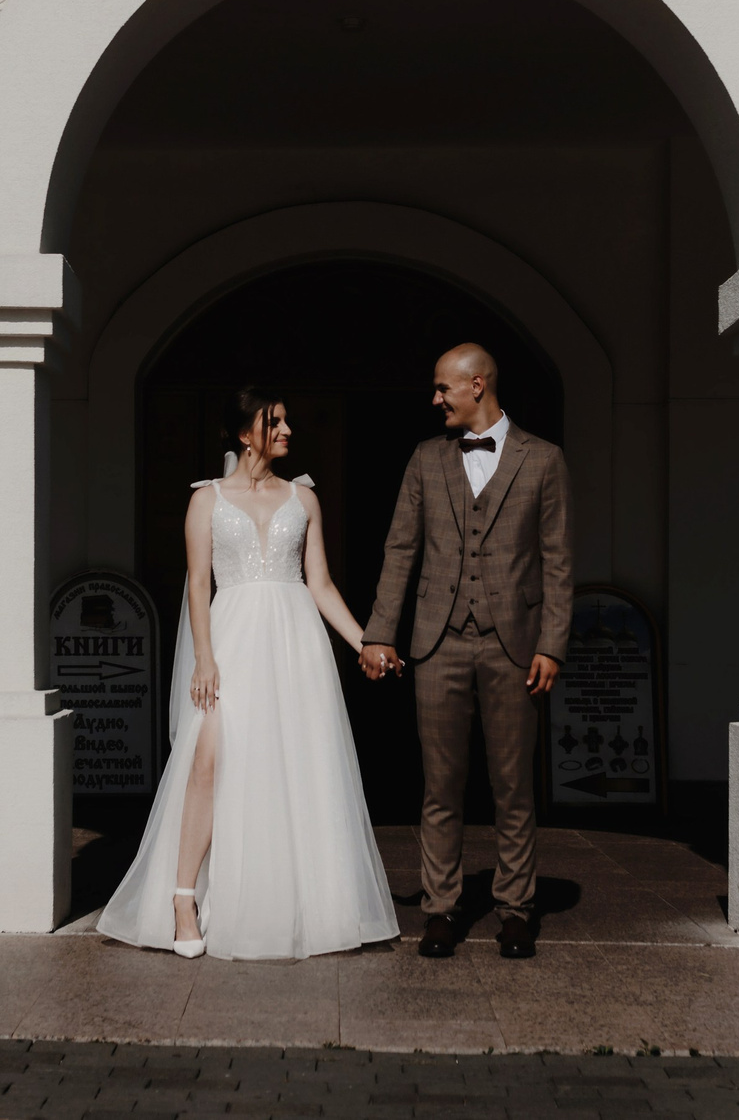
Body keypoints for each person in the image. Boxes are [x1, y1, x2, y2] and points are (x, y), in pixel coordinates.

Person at [98, 387, 398, 960]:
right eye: (274, 422)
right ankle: (182, 899)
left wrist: (367, 643)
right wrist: (205, 657)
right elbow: (197, 584)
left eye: (286, 421)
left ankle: (299, 902)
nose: (286, 431)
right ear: (245, 433)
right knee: (207, 759)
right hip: (230, 641)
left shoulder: (303, 497)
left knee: (296, 764)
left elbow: (320, 584)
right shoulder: (206, 500)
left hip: (294, 643)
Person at [359, 344, 574, 959]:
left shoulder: (544, 459)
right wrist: (380, 632)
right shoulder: (426, 458)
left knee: (513, 787)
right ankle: (441, 910)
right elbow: (400, 549)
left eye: (443, 388)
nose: (435, 399)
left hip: (516, 645)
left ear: (477, 385)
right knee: (440, 786)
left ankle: (516, 909)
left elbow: (558, 560)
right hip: (438, 641)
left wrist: (553, 644)